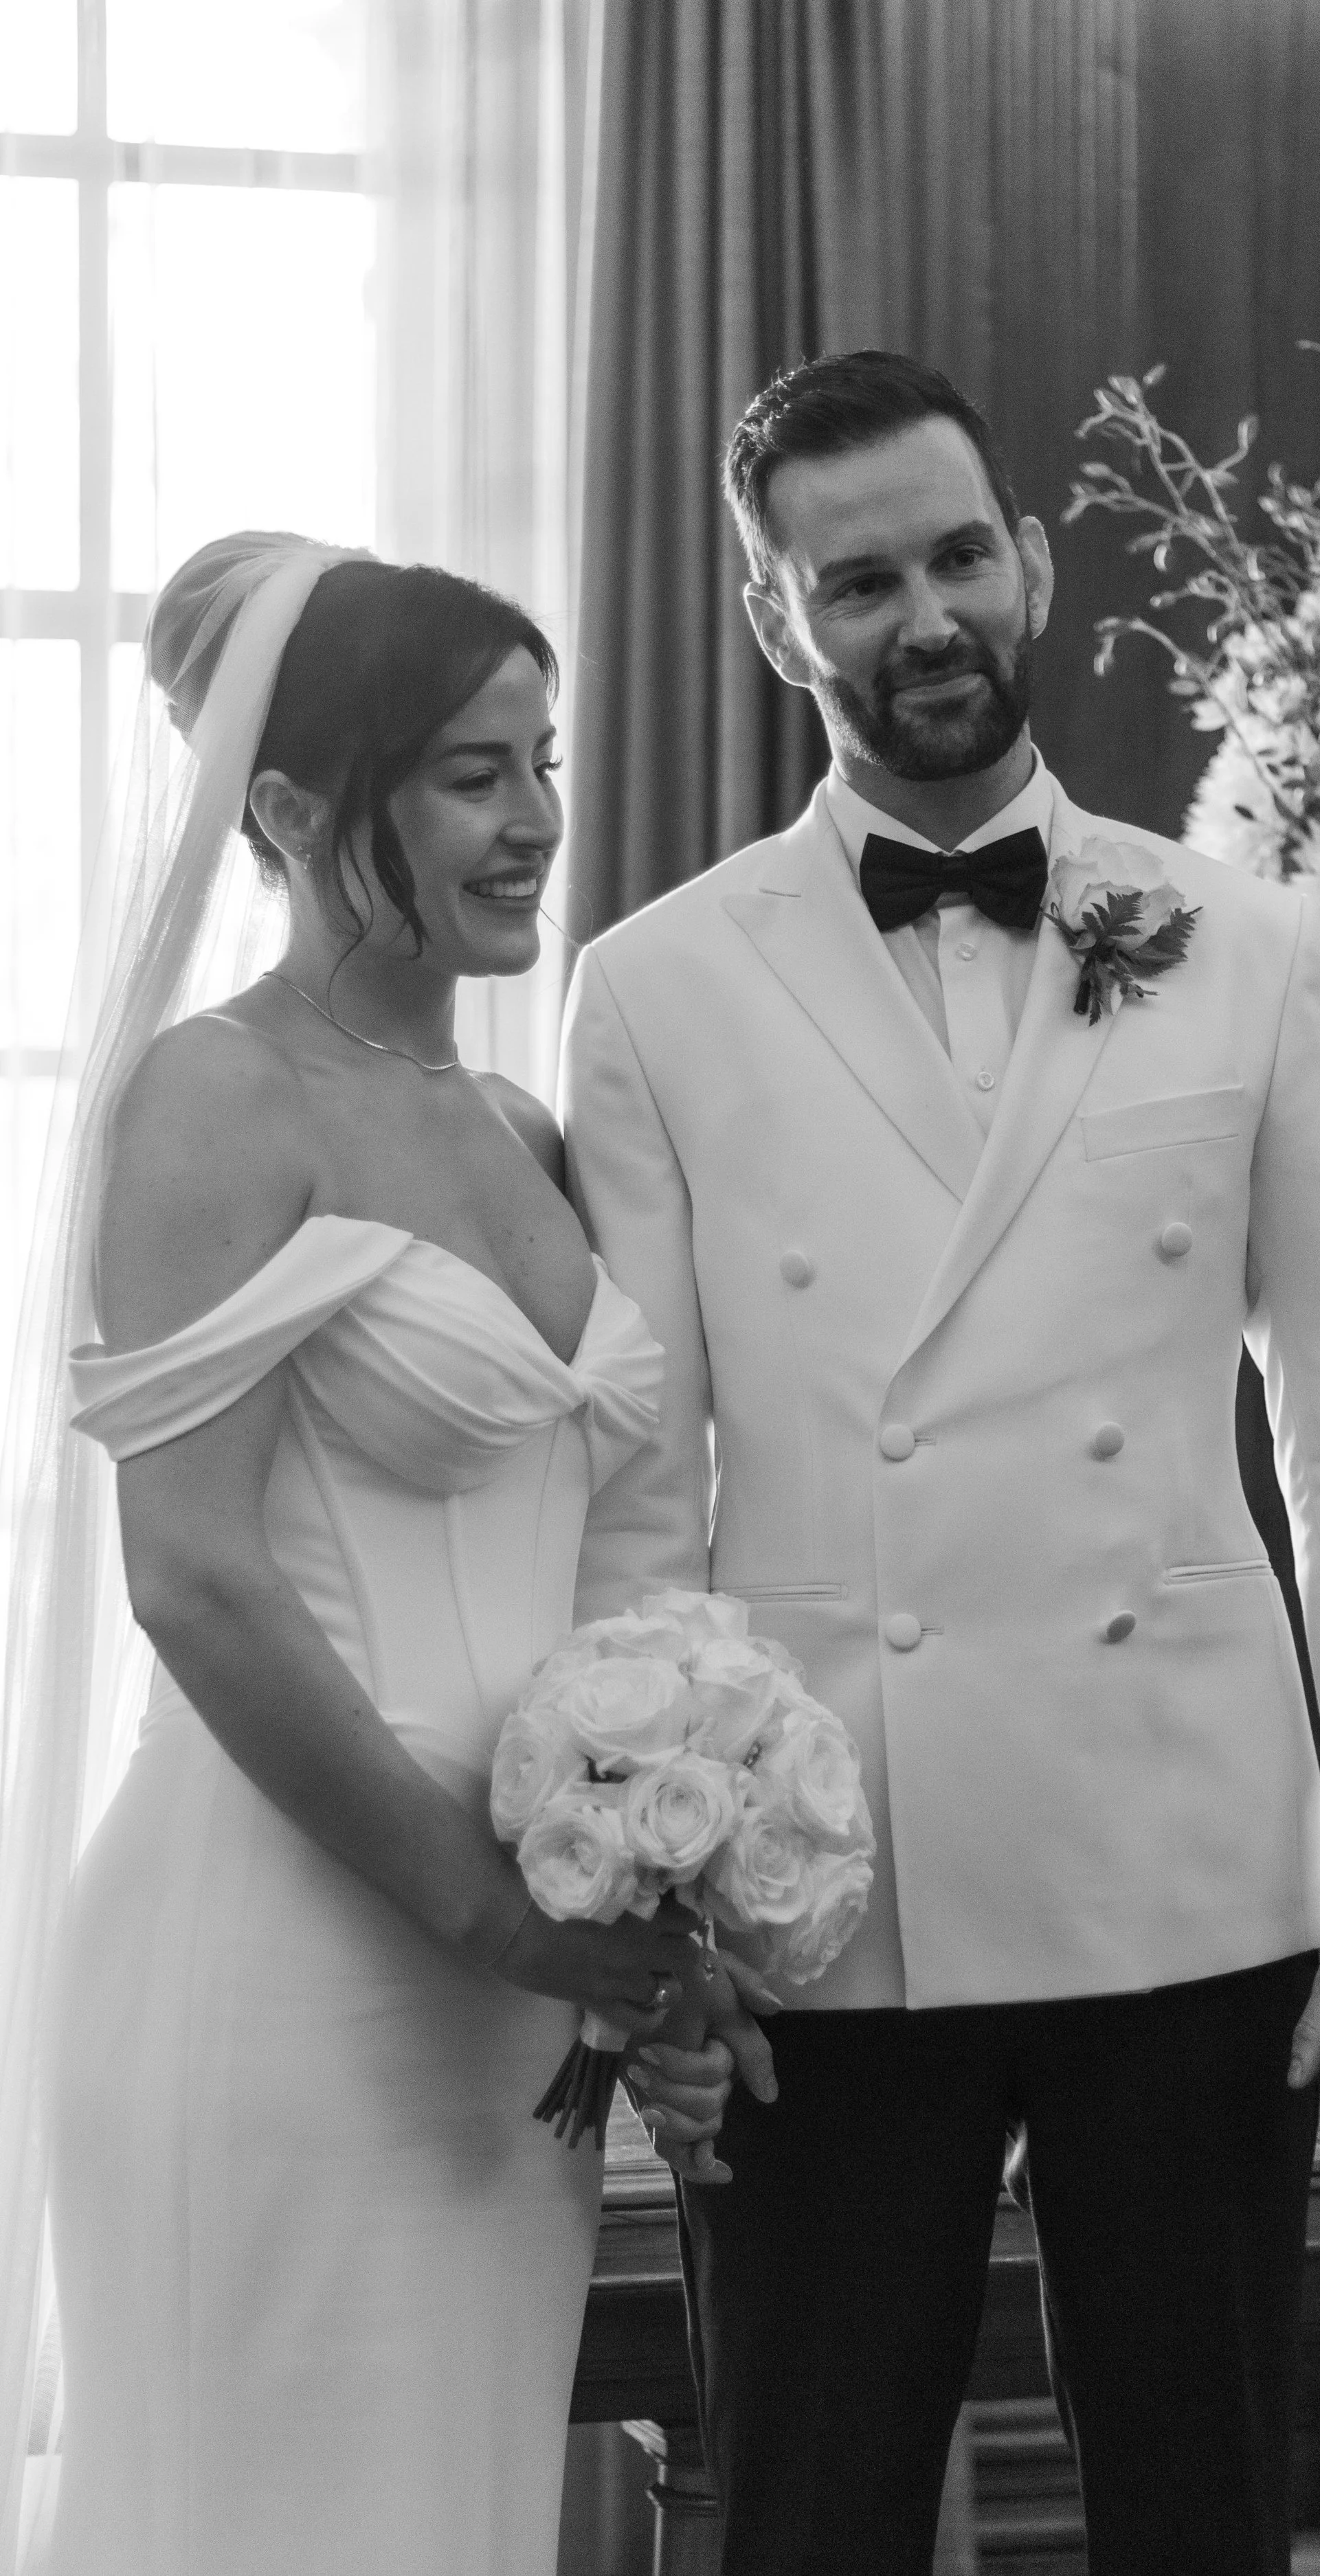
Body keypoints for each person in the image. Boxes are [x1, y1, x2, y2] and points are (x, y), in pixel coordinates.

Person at [560, 350, 1320, 2576]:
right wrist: (650, 1914)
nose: (925, 615)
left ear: (1033, 563)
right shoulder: (655, 985)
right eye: (855, 579)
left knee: (1199, 2510)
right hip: (821, 1879)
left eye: (958, 554)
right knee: (803, 2507)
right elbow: (626, 1495)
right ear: (784, 623)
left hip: (1177, 1862)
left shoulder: (1241, 944)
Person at [14, 536, 772, 2576]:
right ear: (287, 811)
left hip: (508, 2024)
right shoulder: (214, 1098)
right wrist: (497, 1915)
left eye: (540, 758)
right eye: (467, 772)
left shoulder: (528, 1139)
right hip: (282, 1966)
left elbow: (610, 1572)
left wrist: (634, 1923)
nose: (535, 819)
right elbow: (195, 1581)